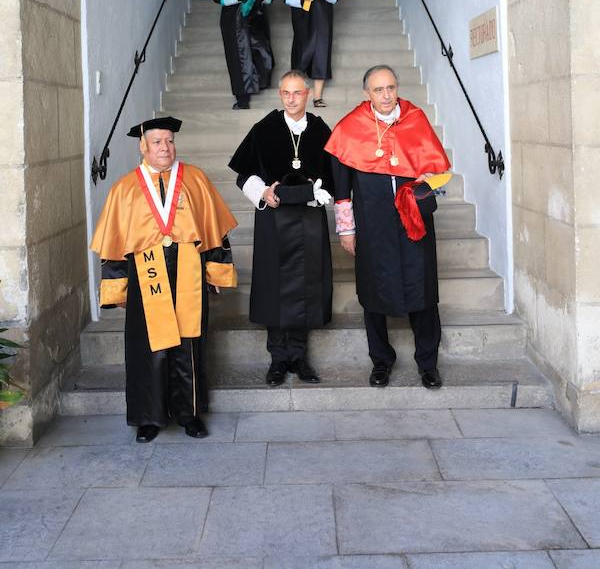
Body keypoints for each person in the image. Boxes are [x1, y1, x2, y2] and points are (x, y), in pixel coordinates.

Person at [90, 116, 238, 442]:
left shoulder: (195, 180)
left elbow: (215, 234)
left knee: (188, 344)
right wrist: (116, 287)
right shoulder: (125, 189)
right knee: (148, 347)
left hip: (188, 272)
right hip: (146, 277)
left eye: (169, 141)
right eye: (157, 142)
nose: (165, 148)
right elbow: (114, 244)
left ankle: (189, 413)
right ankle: (149, 417)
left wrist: (216, 273)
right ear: (143, 146)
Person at [325, 65, 451, 389]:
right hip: (372, 224)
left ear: (397, 88)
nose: (386, 95)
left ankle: (428, 363)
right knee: (373, 291)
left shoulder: (415, 119)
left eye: (391, 88)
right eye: (379, 89)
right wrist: (347, 229)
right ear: (366, 93)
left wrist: (428, 180)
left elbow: (438, 172)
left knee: (422, 291)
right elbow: (341, 189)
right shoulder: (349, 128)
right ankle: (381, 361)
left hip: (414, 223)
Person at [228, 70, 334, 386]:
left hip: (309, 221)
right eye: (286, 93)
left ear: (307, 95)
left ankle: (299, 358)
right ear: (280, 95)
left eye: (297, 93)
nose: (291, 99)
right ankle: (277, 359)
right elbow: (243, 174)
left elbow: (332, 173)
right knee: (274, 287)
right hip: (273, 221)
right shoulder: (265, 129)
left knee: (305, 286)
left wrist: (320, 192)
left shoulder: (320, 130)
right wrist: (263, 192)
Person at [210, 0, 275, 109]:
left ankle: (260, 83)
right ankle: (242, 98)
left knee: (260, 49)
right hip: (233, 18)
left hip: (256, 16)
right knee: (237, 56)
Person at [278, 0, 343, 109]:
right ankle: (296, 93)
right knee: (301, 49)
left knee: (321, 49)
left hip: (322, 12)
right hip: (301, 14)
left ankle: (318, 97)